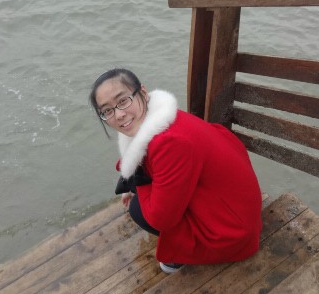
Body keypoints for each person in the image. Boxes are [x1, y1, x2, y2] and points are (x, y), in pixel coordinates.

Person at [90, 68, 262, 274]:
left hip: (232, 232)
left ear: (143, 93)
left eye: (123, 100)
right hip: (237, 204)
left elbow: (160, 220)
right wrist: (132, 177)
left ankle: (181, 253)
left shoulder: (169, 143)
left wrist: (137, 179)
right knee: (145, 195)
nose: (118, 114)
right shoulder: (164, 118)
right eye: (107, 111)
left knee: (138, 210)